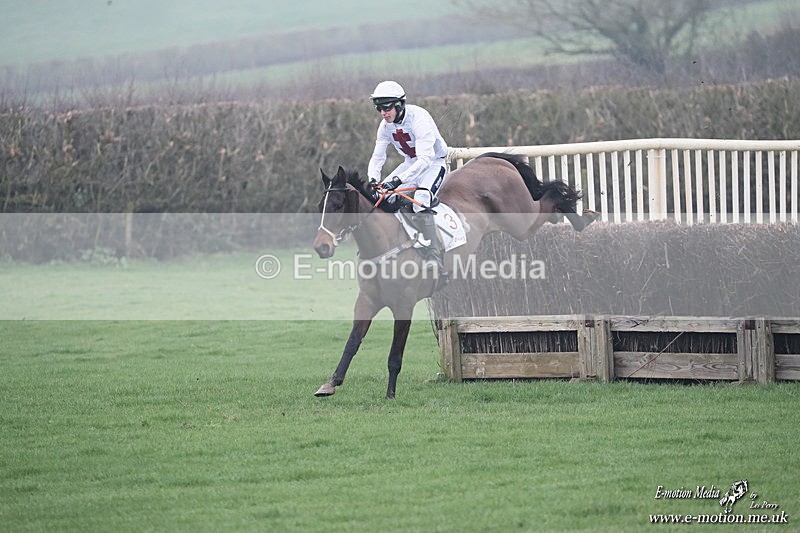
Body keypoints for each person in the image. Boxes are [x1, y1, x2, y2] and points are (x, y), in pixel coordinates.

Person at [367, 80, 449, 270]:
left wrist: (398, 180)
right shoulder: (385, 126)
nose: (383, 113)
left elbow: (425, 159)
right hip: (411, 164)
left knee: (421, 199)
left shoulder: (419, 118)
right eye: (378, 108)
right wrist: (373, 179)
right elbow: (377, 157)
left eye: (386, 107)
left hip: (434, 163)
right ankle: (395, 245)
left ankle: (434, 256)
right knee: (380, 197)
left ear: (399, 104)